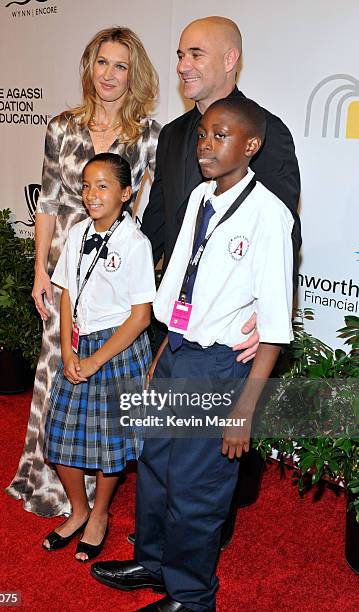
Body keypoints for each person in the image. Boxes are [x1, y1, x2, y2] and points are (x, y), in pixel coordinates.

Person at [91, 97, 294, 611]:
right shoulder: (199, 199)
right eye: (203, 133)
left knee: (197, 488)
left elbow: (273, 326)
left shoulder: (269, 216)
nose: (206, 144)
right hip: (177, 351)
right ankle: (155, 563)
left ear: (251, 146)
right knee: (156, 466)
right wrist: (163, 352)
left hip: (218, 367)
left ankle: (192, 597)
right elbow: (179, 280)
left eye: (221, 135)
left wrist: (245, 409)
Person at [126, 14, 301, 549]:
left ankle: (193, 565)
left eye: (196, 54)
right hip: (179, 321)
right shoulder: (176, 134)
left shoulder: (266, 132)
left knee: (203, 479)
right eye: (180, 54)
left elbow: (281, 234)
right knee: (160, 455)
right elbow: (157, 221)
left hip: (229, 331)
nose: (183, 65)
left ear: (230, 59)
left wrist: (269, 315)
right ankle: (157, 559)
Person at [5, 27, 161, 517]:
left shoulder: (149, 134)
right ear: (89, 67)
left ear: (133, 74)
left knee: (105, 374)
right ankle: (51, 481)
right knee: (58, 368)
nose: (110, 74)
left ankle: (100, 489)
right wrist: (39, 271)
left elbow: (150, 206)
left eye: (120, 66)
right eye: (102, 63)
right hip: (66, 268)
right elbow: (48, 201)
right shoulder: (61, 127)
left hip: (114, 268)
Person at [41, 153, 155, 560]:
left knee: (110, 443)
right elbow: (67, 292)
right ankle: (79, 510)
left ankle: (100, 515)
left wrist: (94, 361)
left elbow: (141, 318)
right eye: (87, 185)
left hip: (118, 349)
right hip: (79, 344)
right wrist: (68, 347)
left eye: (103, 186)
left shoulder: (135, 243)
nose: (92, 194)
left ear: (126, 194)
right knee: (57, 434)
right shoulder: (76, 232)